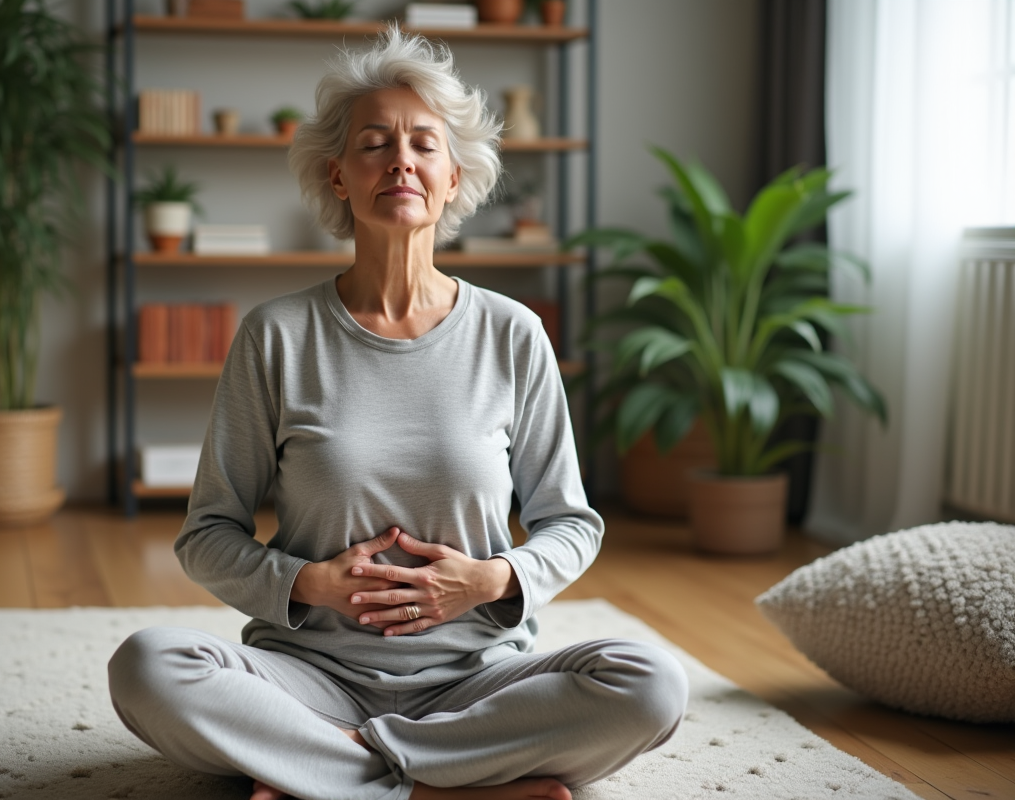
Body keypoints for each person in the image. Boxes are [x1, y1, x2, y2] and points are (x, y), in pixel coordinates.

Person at [108, 26, 687, 800]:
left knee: (651, 684)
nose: (400, 160)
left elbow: (571, 523)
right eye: (374, 143)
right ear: (339, 177)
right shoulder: (275, 335)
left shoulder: (513, 333)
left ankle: (325, 769)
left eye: (423, 143)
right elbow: (207, 534)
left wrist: (487, 581)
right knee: (148, 666)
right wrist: (310, 584)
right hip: (308, 675)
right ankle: (449, 787)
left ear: (454, 177)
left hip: (477, 678)